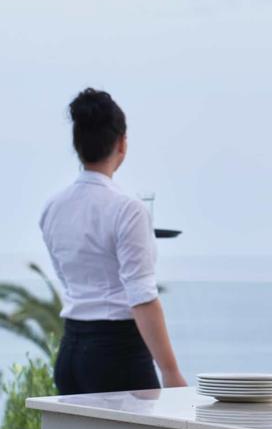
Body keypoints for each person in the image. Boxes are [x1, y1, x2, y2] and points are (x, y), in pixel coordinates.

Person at [40, 87, 187, 394]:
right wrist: (171, 372)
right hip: (118, 354)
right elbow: (142, 297)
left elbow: (70, 278)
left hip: (70, 354)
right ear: (122, 143)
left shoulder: (53, 207)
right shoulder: (128, 208)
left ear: (77, 144)